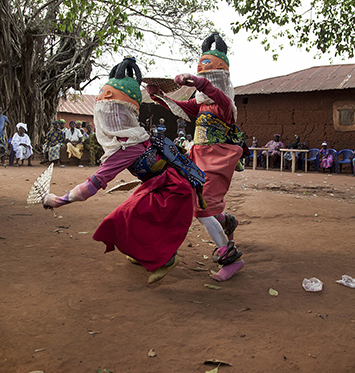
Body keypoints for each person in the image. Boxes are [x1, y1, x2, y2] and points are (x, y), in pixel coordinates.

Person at [42, 57, 205, 284]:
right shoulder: (135, 135)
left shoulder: (124, 146)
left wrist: (58, 200)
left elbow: (91, 187)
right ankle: (143, 254)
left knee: (124, 217)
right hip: (165, 184)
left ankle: (166, 259)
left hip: (173, 189)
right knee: (131, 214)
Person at [147, 32, 246, 282]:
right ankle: (226, 222)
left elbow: (211, 89)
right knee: (202, 204)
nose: (203, 81)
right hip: (198, 157)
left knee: (201, 209)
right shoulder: (200, 105)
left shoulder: (225, 104)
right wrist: (157, 95)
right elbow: (178, 107)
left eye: (206, 77)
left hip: (218, 159)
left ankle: (230, 257)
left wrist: (193, 81)